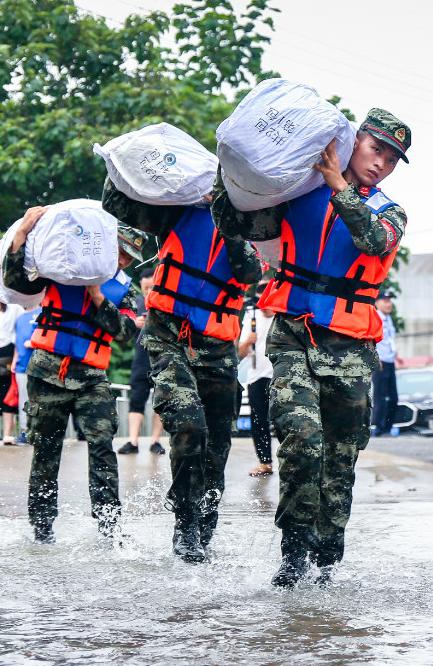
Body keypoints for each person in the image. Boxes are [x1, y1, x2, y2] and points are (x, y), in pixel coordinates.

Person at [212, 108, 411, 587]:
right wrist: (232, 177)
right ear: (353, 141)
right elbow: (241, 223)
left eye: (392, 158)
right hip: (294, 336)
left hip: (351, 350)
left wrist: (337, 185)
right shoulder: (299, 195)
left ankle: (324, 566)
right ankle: (292, 558)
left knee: (339, 462)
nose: (381, 162)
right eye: (375, 148)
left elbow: (370, 240)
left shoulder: (390, 212)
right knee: (301, 444)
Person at [103, 179, 261, 562]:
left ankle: (203, 531)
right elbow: (116, 204)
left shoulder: (256, 222)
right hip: (168, 334)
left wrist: (226, 215)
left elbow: (249, 273)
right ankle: (185, 526)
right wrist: (123, 167)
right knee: (190, 425)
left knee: (217, 447)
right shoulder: (177, 211)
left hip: (219, 346)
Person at [2, 205, 147, 543]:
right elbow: (15, 282)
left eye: (130, 256)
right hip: (46, 371)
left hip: (92, 378)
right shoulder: (60, 267)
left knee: (101, 448)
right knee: (46, 451)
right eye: (121, 251)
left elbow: (126, 331)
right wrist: (22, 234)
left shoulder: (125, 290)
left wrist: (97, 297)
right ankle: (42, 530)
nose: (124, 261)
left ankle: (109, 528)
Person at [117, 268, 165, 455]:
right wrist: (134, 322)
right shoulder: (136, 303)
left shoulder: (164, 302)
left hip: (162, 357)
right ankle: (133, 441)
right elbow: (123, 332)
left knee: (161, 400)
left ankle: (155, 440)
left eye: (151, 287)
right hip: (141, 357)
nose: (148, 291)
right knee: (136, 399)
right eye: (145, 288)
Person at [238, 281, 274, 476]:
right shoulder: (251, 316)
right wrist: (247, 341)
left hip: (278, 374)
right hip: (256, 375)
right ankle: (265, 462)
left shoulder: (282, 316)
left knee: (283, 420)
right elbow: (241, 352)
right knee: (259, 420)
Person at [11, 305, 42, 444]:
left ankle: (41, 431)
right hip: (21, 366)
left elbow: (51, 336)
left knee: (40, 400)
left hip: (40, 366)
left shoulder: (43, 312)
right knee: (24, 400)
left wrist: (34, 342)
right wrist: (14, 360)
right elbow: (17, 343)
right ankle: (25, 432)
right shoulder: (19, 318)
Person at [371, 290, 399, 436]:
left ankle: (388, 427)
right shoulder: (376, 318)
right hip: (380, 361)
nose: (389, 304)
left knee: (393, 397)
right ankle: (377, 427)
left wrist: (396, 355)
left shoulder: (389, 319)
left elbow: (389, 340)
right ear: (377, 302)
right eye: (385, 300)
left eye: (390, 300)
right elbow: (371, 340)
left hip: (390, 360)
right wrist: (376, 359)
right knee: (380, 396)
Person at [0, 301, 23, 445]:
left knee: (8, 393)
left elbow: (21, 331)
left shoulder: (14, 307)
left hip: (8, 352)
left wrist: (16, 357)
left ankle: (7, 435)